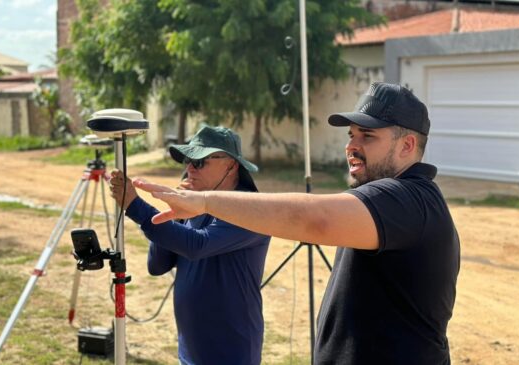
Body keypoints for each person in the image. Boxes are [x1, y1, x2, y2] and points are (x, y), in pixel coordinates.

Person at [133, 82, 461, 365]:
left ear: (407, 145)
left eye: (368, 136)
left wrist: (204, 202)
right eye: (351, 135)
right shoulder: (395, 198)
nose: (351, 146)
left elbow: (313, 219)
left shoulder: (409, 199)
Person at [109, 126, 270, 365]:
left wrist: (135, 206)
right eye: (188, 160)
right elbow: (157, 264)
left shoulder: (250, 207)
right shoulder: (196, 203)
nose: (190, 168)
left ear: (231, 165)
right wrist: (173, 213)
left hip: (230, 349)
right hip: (192, 349)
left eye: (201, 161)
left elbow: (197, 245)